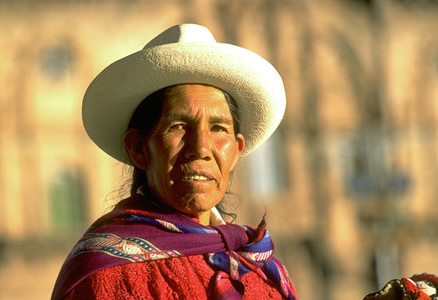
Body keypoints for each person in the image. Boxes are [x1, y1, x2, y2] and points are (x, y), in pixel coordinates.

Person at [51, 23, 298, 300]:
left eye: (218, 128)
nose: (201, 148)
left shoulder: (260, 270)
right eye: (178, 126)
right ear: (139, 149)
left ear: (237, 150)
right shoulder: (105, 276)